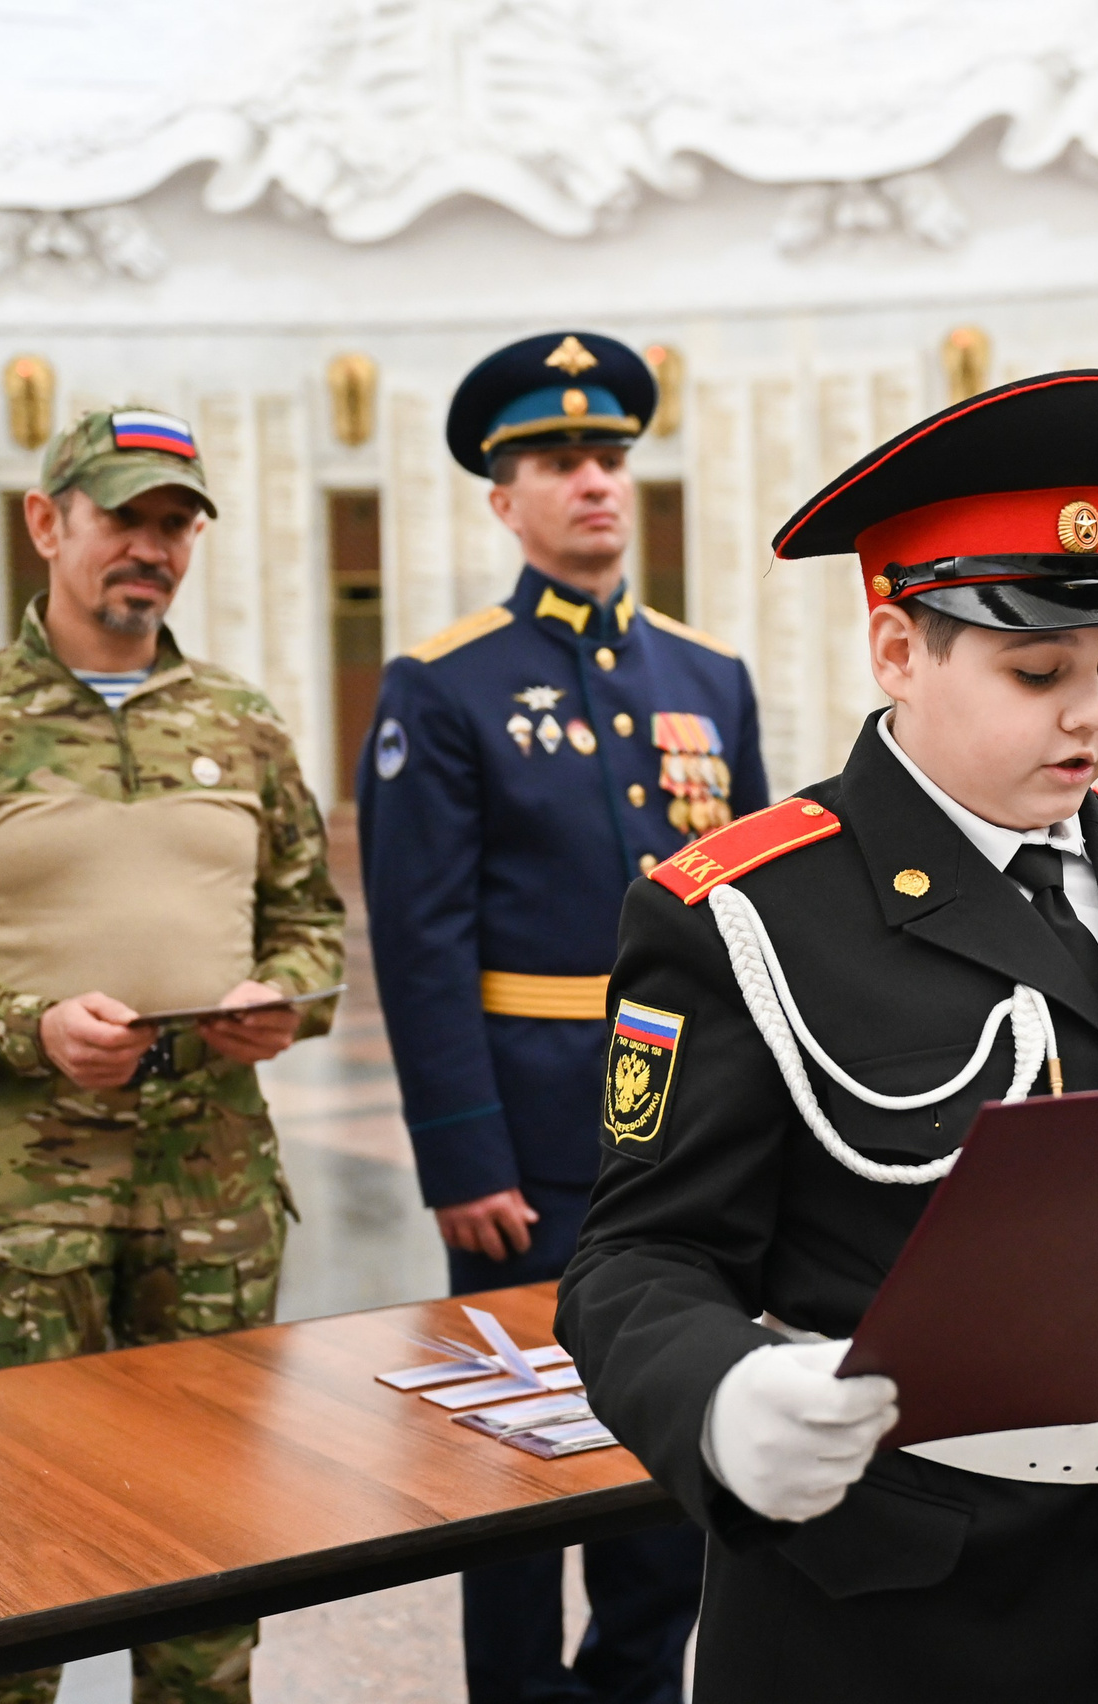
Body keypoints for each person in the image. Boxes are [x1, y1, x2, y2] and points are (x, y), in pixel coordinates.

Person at [554, 371, 1098, 1703]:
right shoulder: (750, 910)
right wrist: (723, 1398)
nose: (1088, 712)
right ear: (898, 652)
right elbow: (640, 1257)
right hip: (893, 1600)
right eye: (1036, 670)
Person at [0, 408, 344, 1704]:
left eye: (175, 525)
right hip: (18, 1234)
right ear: (47, 523)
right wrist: (31, 1031)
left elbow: (308, 923)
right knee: (5, 1575)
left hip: (215, 1216)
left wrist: (282, 998)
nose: (152, 549)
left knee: (213, 1564)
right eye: (125, 517)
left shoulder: (243, 721)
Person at [354, 331, 752, 1704]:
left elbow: (744, 923)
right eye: (556, 462)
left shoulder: (711, 678)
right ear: (501, 499)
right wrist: (462, 1157)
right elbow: (420, 939)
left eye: (608, 457)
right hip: (530, 1141)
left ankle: (633, 1685)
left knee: (677, 1430)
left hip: (688, 1131)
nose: (591, 481)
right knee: (514, 1448)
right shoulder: (444, 684)